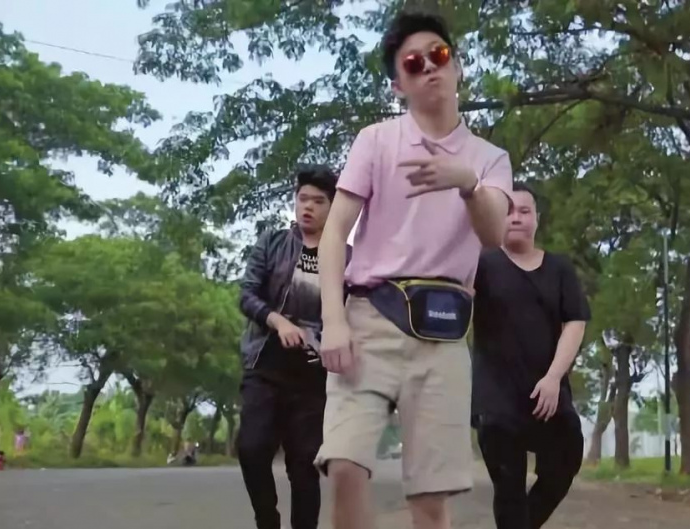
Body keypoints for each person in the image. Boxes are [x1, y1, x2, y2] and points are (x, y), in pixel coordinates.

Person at [315, 11, 513, 529]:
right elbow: (335, 232)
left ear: (458, 65)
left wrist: (466, 182)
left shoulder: (490, 159)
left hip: (443, 334)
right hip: (369, 321)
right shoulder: (376, 140)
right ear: (398, 85)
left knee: (430, 498)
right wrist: (333, 321)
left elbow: (494, 234)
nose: (428, 67)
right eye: (412, 63)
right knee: (345, 464)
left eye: (438, 55)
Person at [471, 182, 591, 529]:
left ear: (537, 219)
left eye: (524, 211)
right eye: (508, 211)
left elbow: (575, 322)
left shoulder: (560, 268)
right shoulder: (481, 265)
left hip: (547, 393)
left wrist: (554, 377)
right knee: (508, 488)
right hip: (496, 399)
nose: (516, 218)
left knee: (566, 459)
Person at [237, 166, 348, 529]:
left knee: (303, 467)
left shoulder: (347, 257)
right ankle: (266, 519)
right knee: (251, 448)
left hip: (314, 377)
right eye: (303, 199)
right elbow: (247, 295)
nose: (308, 207)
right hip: (265, 365)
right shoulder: (273, 243)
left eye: (318, 201)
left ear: (333, 207)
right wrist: (278, 321)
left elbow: (354, 313)